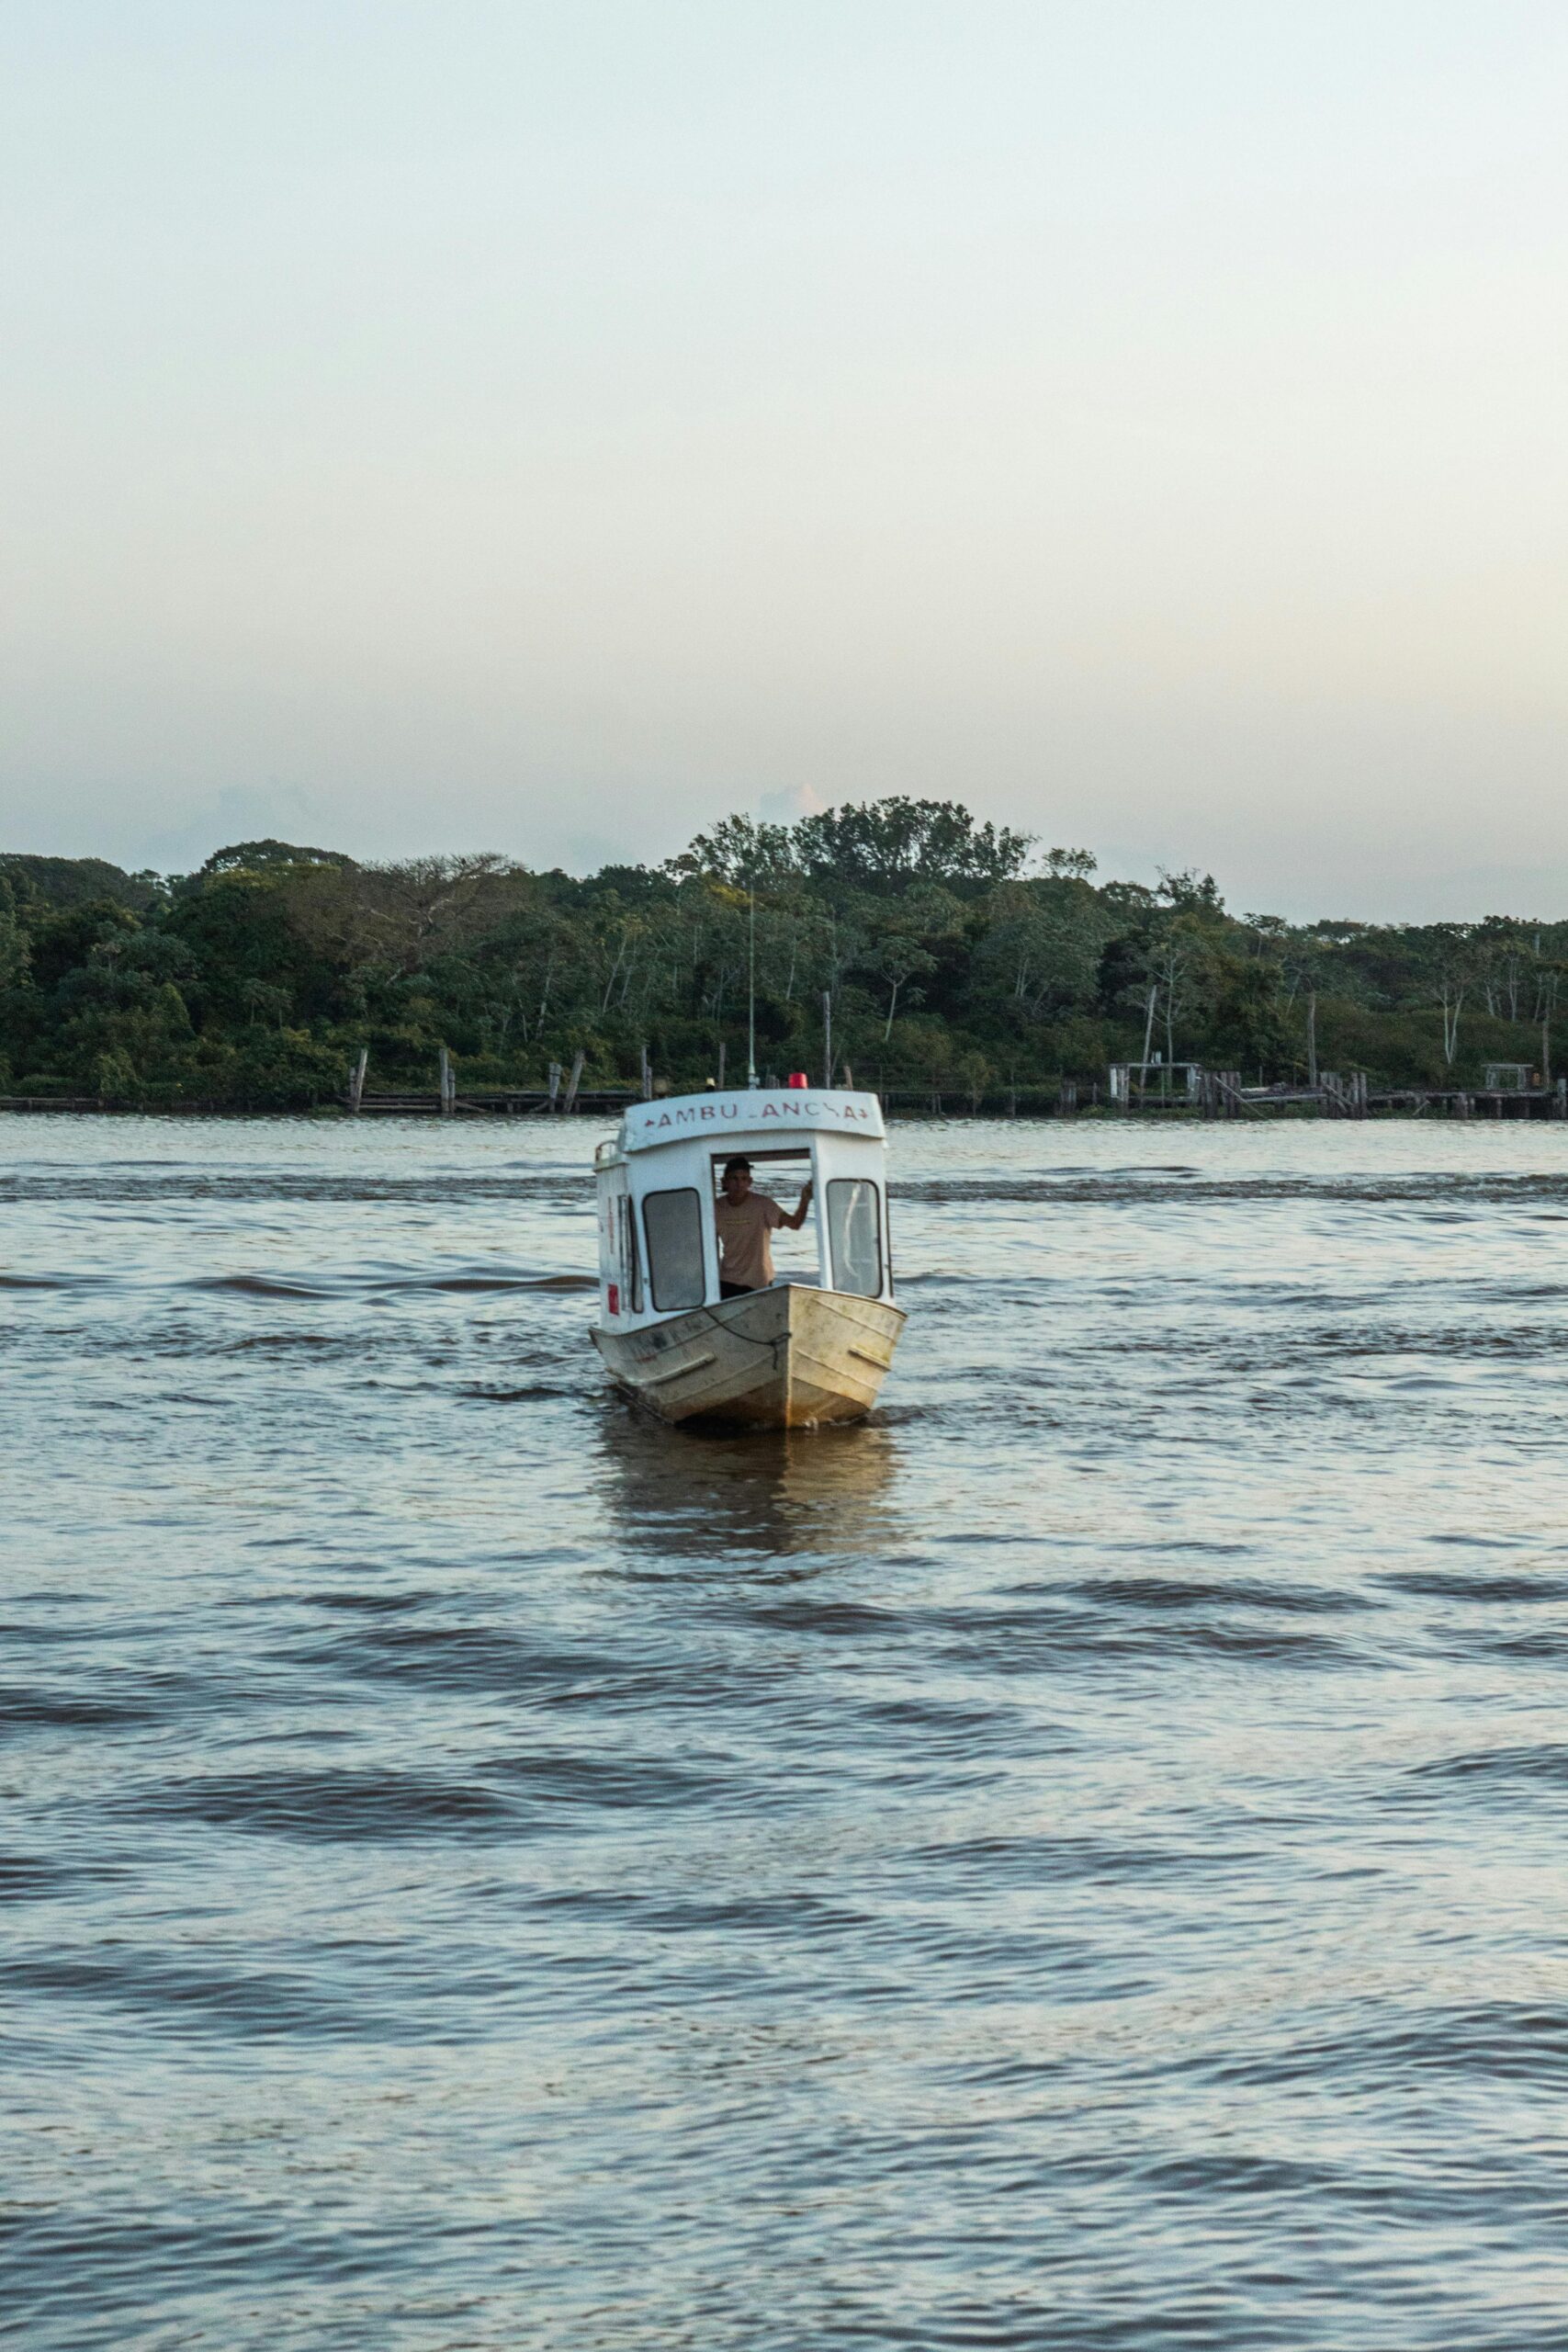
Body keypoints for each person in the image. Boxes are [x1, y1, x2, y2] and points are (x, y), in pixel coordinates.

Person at [714, 1157, 813, 1296]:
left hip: (759, 1281)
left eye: (744, 1179)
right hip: (727, 1281)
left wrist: (805, 1199)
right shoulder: (716, 1208)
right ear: (725, 1182)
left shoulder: (764, 1205)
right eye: (734, 1178)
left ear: (750, 1182)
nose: (739, 1184)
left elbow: (795, 1224)